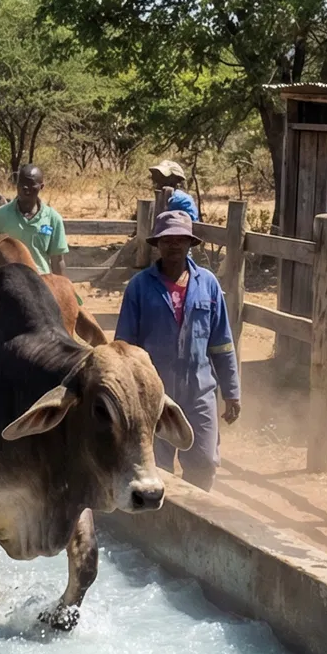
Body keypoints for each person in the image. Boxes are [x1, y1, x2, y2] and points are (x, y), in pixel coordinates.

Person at [115, 210, 240, 491]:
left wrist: (232, 392)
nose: (174, 245)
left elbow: (221, 343)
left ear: (190, 243)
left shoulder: (207, 284)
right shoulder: (139, 287)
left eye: (180, 239)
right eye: (167, 240)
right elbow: (124, 347)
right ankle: (163, 517)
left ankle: (196, 513)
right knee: (156, 468)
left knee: (204, 462)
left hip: (199, 392)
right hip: (153, 395)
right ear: (157, 244)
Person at [0, 165, 69, 273]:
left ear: (41, 186)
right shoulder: (0, 216)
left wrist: (60, 282)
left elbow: (57, 259)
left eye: (31, 184)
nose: (25, 187)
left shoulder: (53, 219)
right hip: (10, 279)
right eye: (22, 183)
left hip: (40, 279)